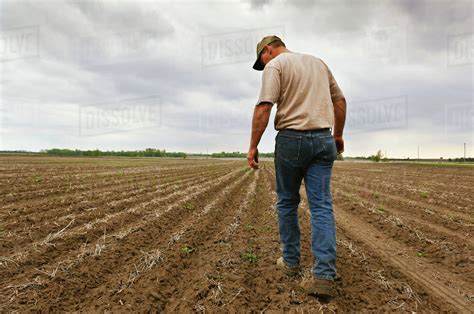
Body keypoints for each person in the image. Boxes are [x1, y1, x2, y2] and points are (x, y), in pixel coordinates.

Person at [247, 35, 346, 299]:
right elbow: (340, 101)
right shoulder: (318, 63)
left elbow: (264, 107)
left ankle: (291, 263)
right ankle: (324, 275)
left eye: (262, 59)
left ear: (268, 50)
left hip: (292, 139)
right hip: (324, 138)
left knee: (287, 202)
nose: (263, 63)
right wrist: (337, 136)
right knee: (322, 205)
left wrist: (253, 146)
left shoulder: (276, 66)